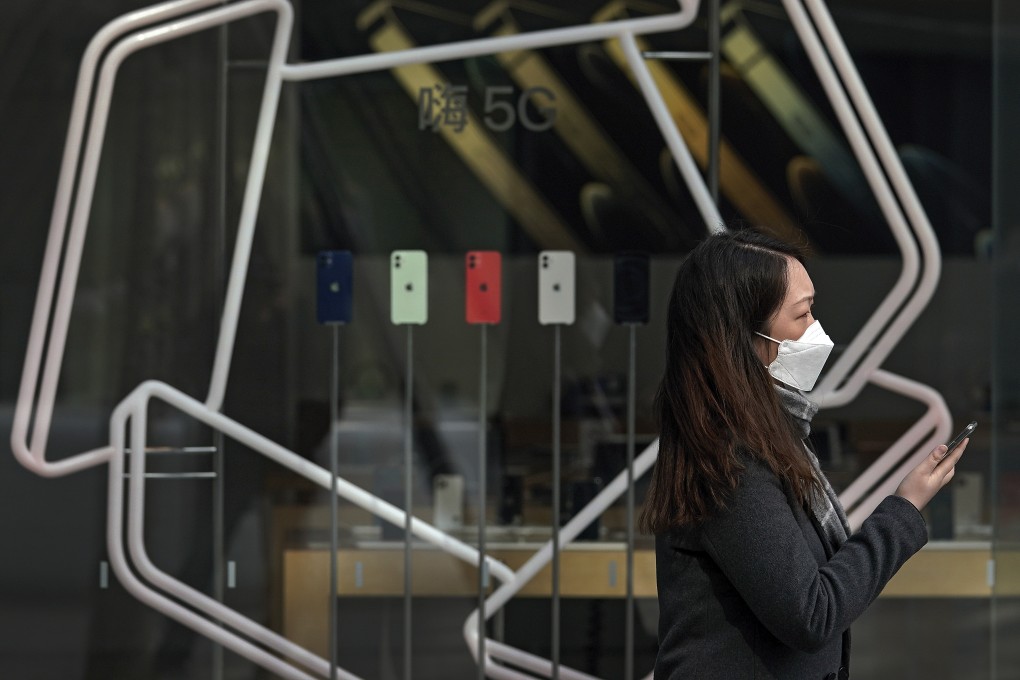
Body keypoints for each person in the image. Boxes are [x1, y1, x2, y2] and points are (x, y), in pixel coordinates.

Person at [641, 229, 968, 680]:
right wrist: (903, 508)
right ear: (744, 336)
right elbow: (812, 613)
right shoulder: (728, 458)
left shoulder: (765, 436)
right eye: (803, 315)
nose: (817, 331)